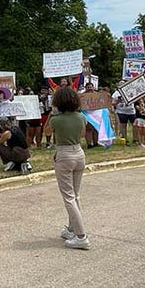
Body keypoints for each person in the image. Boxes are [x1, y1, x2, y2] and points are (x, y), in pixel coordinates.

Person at [48, 87, 90, 250]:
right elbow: (82, 134)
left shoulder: (56, 119)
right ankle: (72, 229)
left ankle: (81, 235)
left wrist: (52, 114)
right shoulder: (81, 117)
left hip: (64, 154)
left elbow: (47, 131)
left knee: (69, 198)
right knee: (75, 195)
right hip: (79, 152)